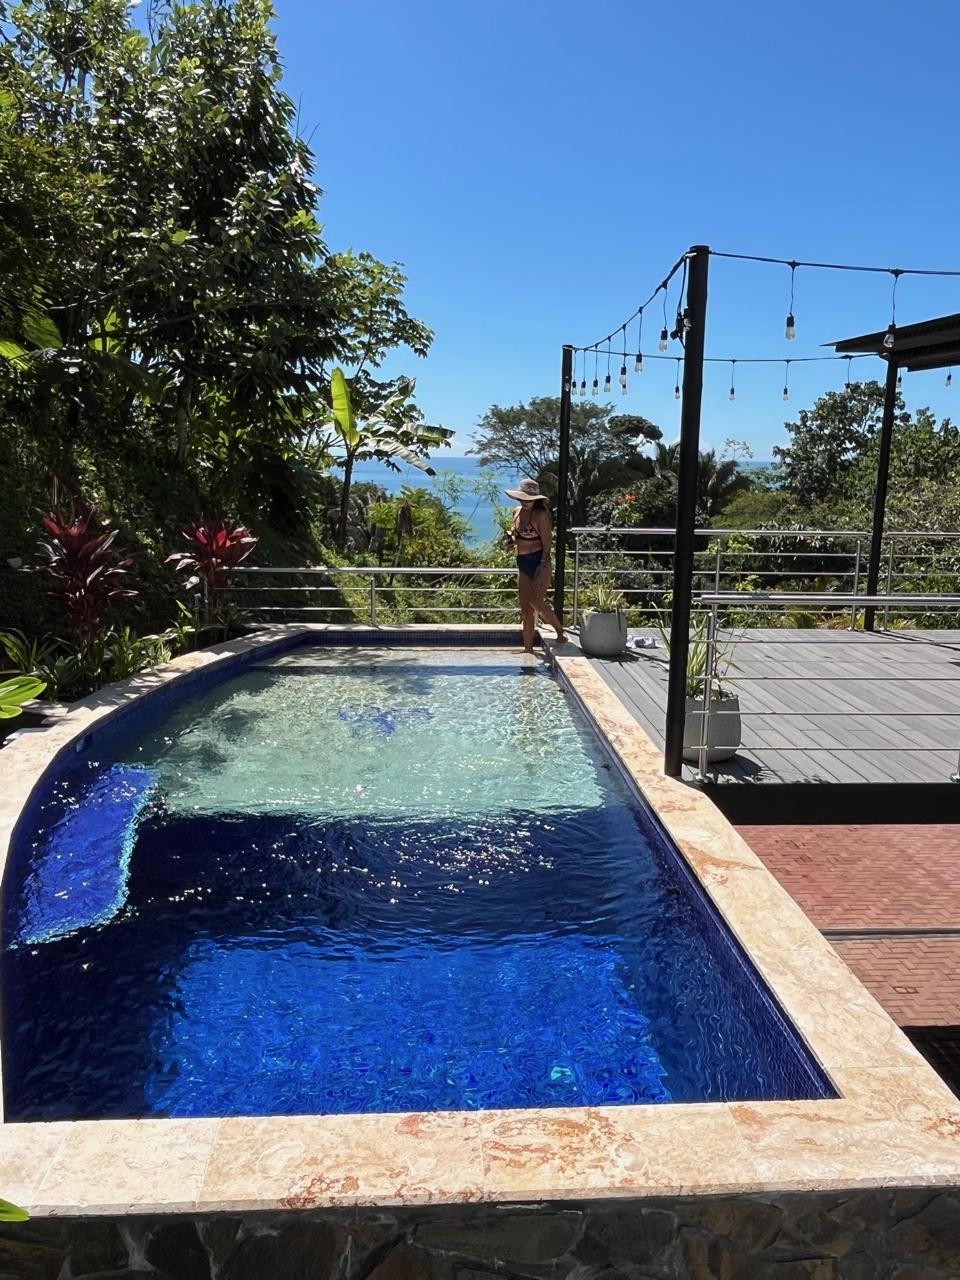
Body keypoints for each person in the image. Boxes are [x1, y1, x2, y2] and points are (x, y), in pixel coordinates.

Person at [504, 478, 566, 653]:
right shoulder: (516, 512)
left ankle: (559, 630)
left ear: (535, 499)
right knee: (525, 608)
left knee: (536, 602)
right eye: (523, 498)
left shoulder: (541, 515)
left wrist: (543, 567)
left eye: (529, 499)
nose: (525, 502)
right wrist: (511, 541)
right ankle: (528, 648)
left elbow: (547, 545)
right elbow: (517, 536)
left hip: (539, 562)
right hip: (522, 562)